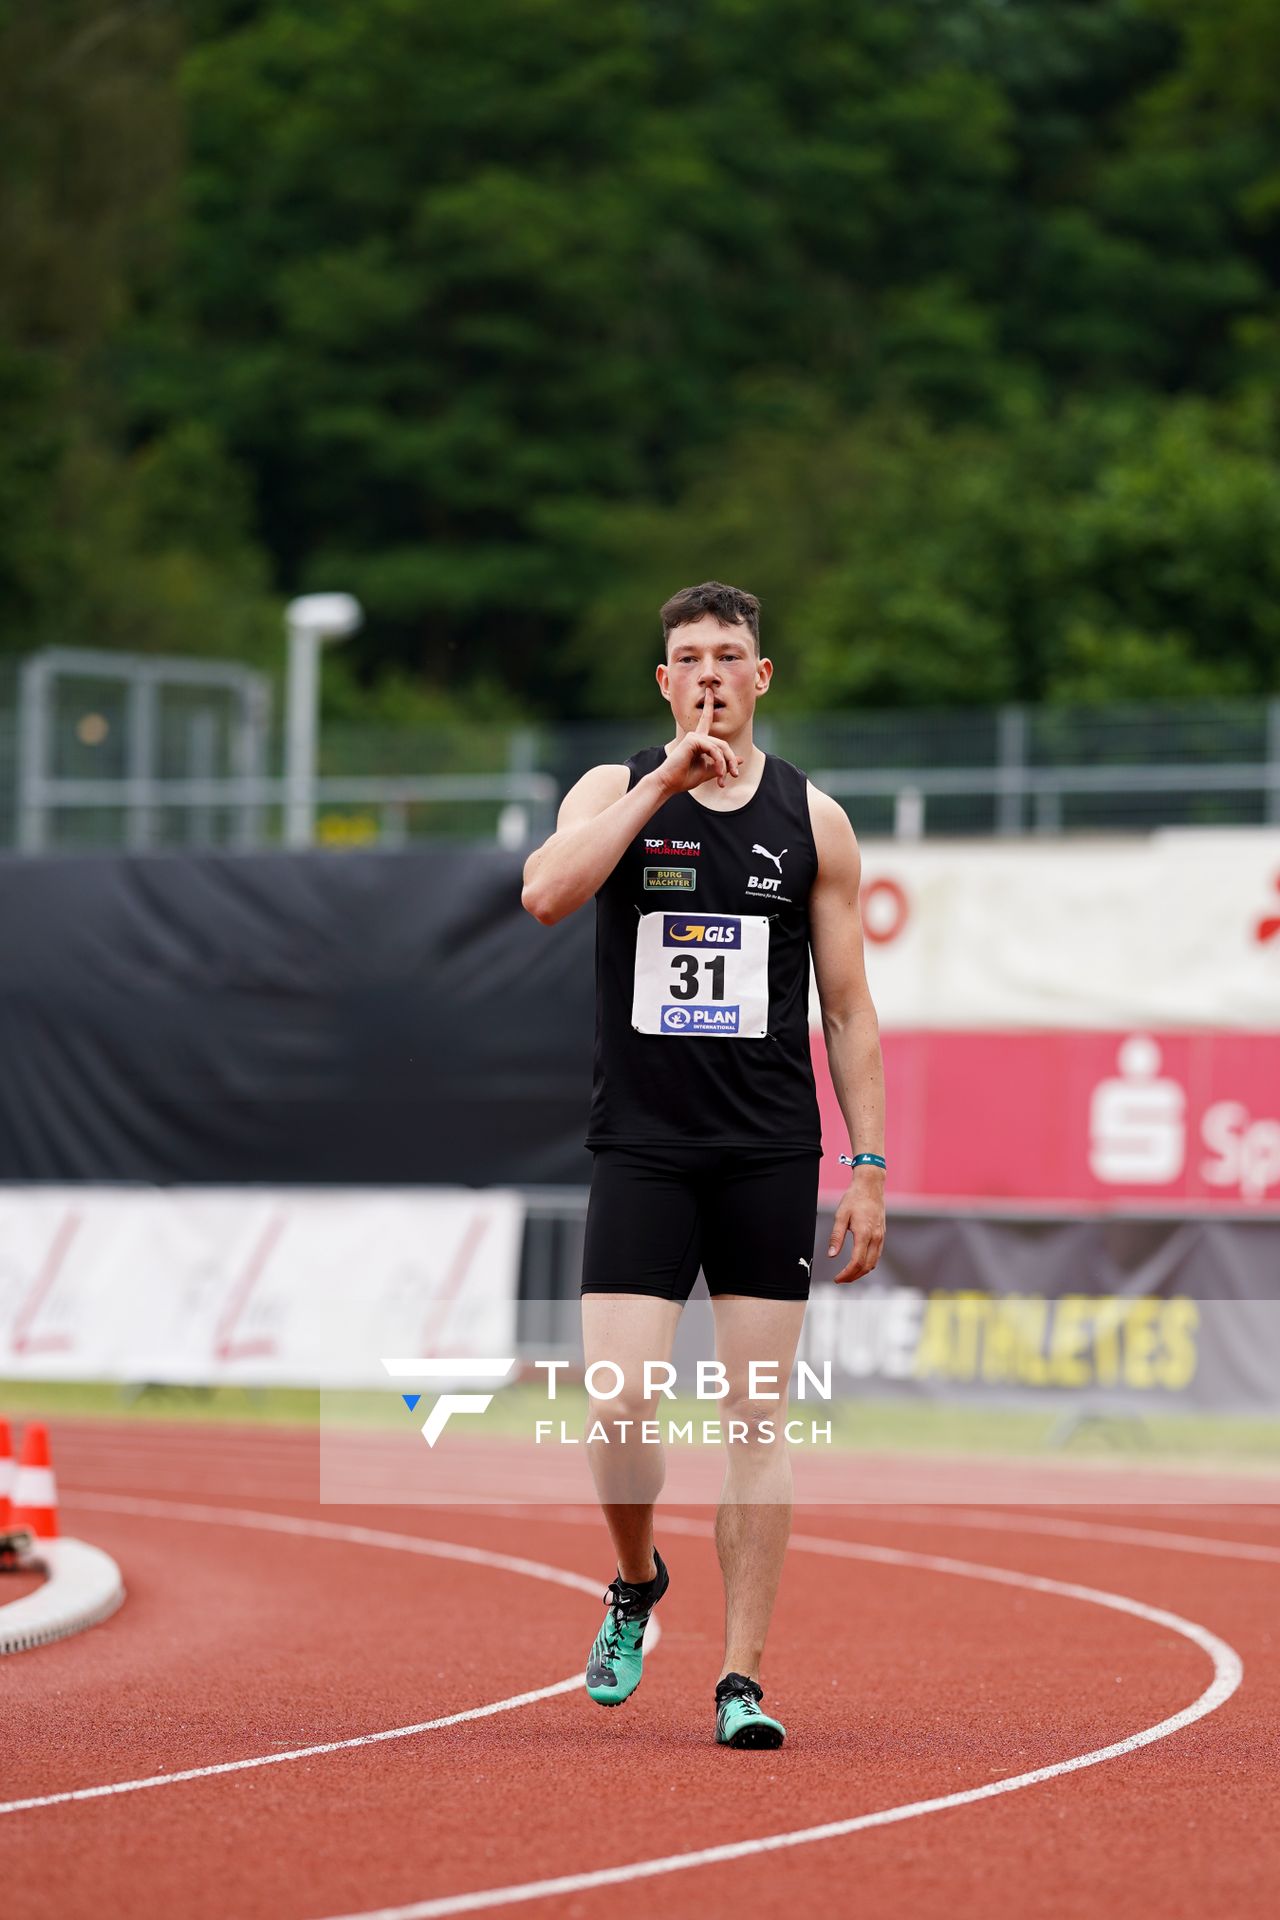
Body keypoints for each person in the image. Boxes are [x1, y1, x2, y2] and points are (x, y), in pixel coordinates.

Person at [521, 580, 885, 1749]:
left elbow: (849, 1012)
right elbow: (543, 895)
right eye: (690, 658)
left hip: (764, 1153)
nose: (711, 673)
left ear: (761, 678)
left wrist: (866, 1162)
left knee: (755, 1422)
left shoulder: (813, 821)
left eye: (731, 655)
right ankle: (635, 1580)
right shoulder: (612, 788)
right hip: (642, 1146)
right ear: (665, 681)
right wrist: (662, 788)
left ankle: (740, 1679)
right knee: (620, 1400)